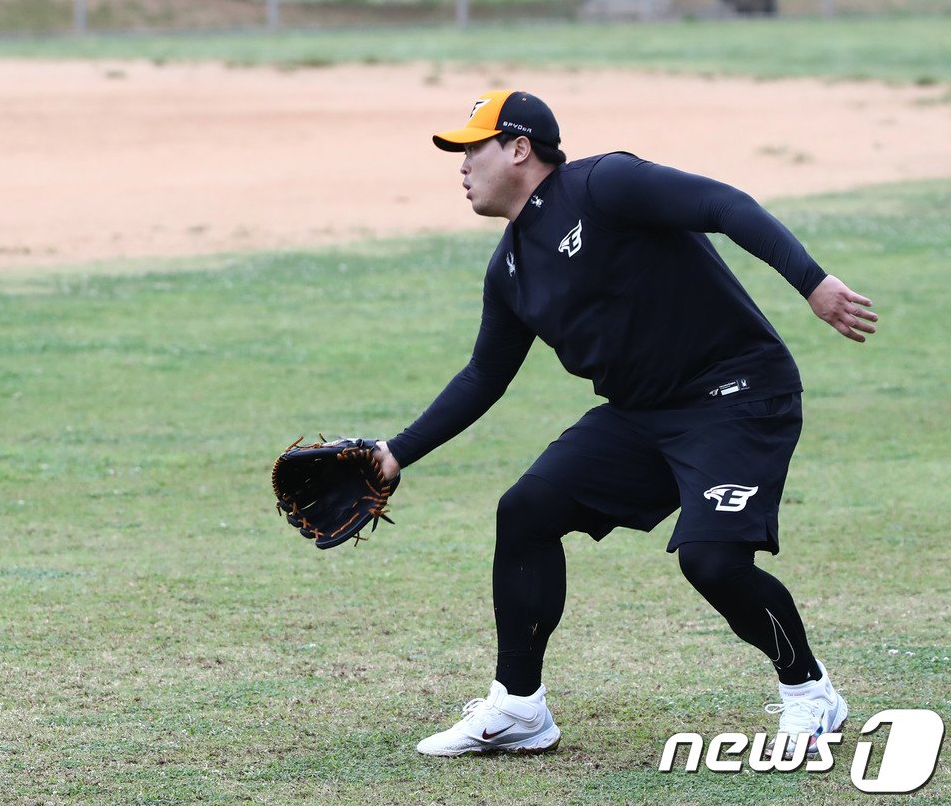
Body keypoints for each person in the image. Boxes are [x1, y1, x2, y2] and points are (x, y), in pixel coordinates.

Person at [372, 90, 876, 757]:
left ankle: (811, 693)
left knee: (713, 560)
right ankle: (521, 708)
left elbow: (722, 204)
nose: (462, 165)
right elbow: (484, 376)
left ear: (519, 148)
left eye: (473, 148)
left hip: (737, 394)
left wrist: (812, 282)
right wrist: (394, 454)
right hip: (643, 416)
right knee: (526, 510)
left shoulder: (604, 185)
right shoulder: (514, 267)